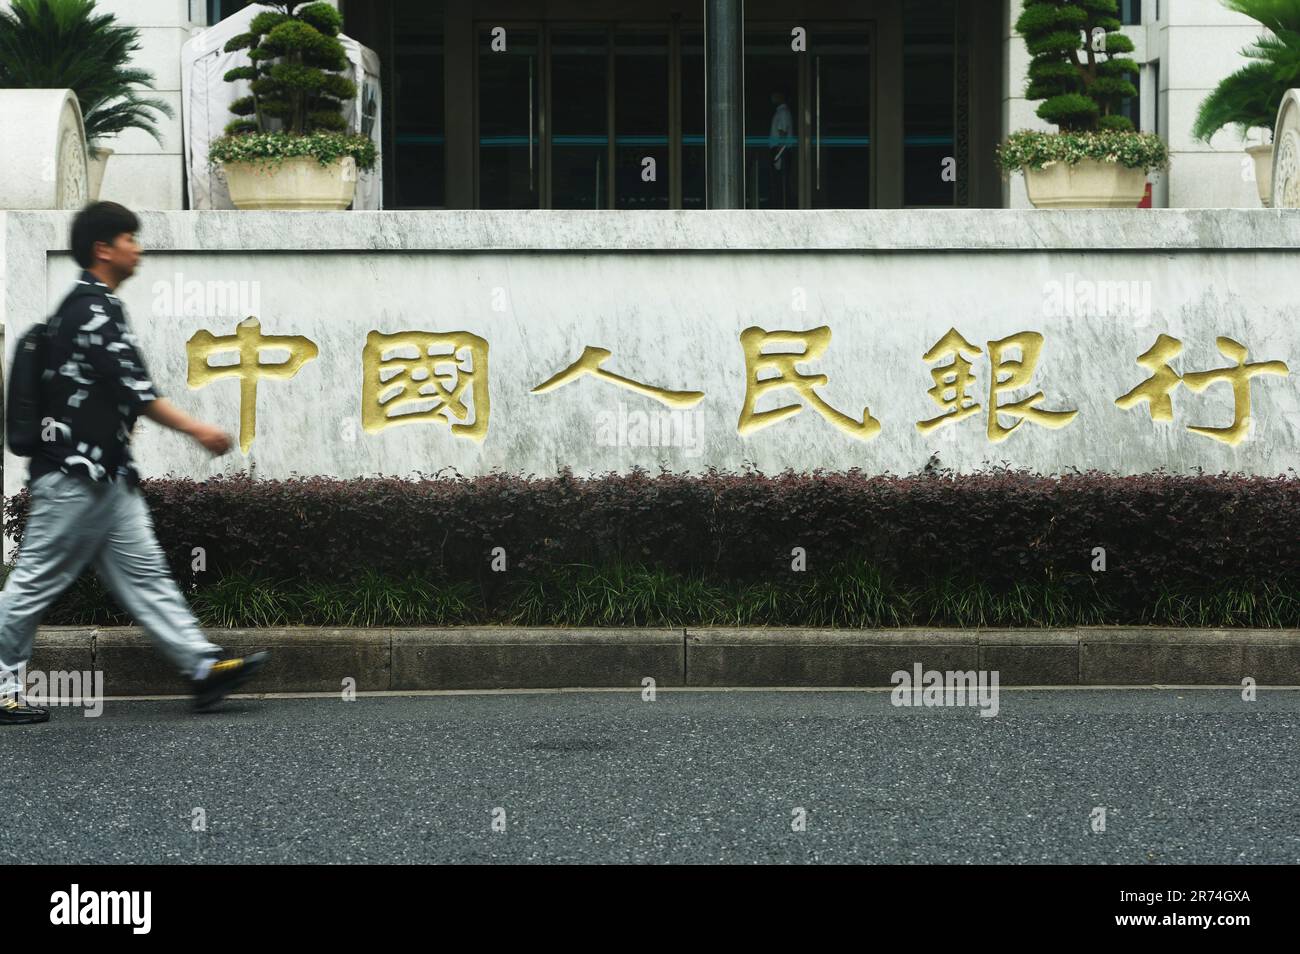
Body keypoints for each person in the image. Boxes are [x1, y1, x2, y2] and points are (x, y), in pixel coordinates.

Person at [0, 201, 267, 724]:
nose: (137, 248)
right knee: (32, 582)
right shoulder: (93, 310)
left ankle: (200, 668)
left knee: (147, 578)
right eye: (130, 238)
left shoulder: (86, 308)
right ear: (104, 248)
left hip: (109, 479)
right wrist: (199, 429)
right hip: (76, 475)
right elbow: (137, 391)